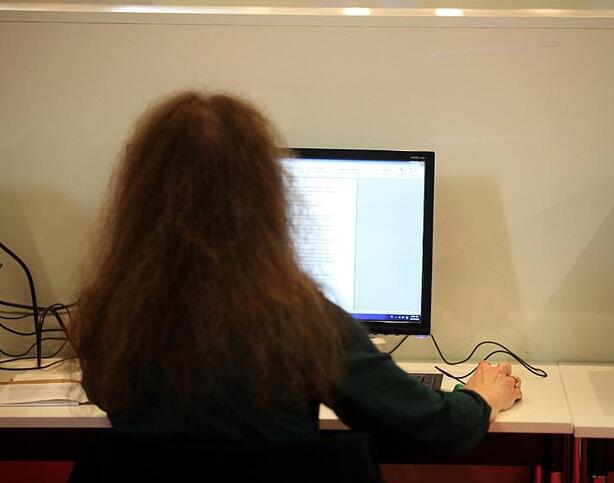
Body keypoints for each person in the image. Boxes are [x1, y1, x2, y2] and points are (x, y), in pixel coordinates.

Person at [70, 91, 521, 457]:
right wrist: (481, 396)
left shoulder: (109, 319)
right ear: (266, 198)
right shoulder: (302, 325)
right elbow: (435, 429)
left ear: (139, 199)